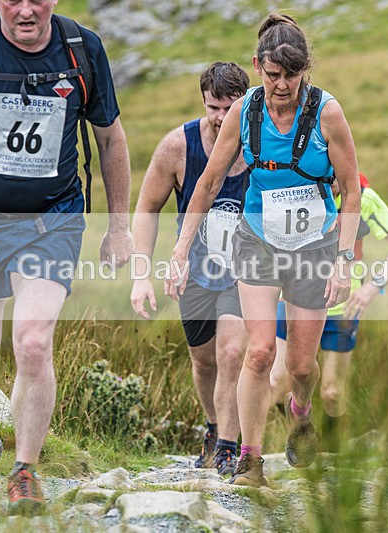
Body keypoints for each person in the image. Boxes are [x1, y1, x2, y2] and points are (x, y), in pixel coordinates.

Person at [0, 0, 132, 515]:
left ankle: (25, 470)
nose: (26, 10)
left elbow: (110, 139)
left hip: (51, 222)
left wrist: (119, 226)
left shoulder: (81, 49)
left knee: (33, 343)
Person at [166, 13, 361, 487]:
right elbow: (208, 182)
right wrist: (180, 249)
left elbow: (352, 190)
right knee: (258, 352)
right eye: (273, 75)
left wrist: (344, 260)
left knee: (301, 367)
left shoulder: (327, 113)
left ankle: (301, 410)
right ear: (257, 66)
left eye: (292, 75)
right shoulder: (244, 112)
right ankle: (250, 462)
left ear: (305, 70)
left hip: (314, 246)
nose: (282, 86)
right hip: (258, 240)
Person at [130, 62, 250, 476]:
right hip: (194, 270)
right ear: (203, 102)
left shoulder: (260, 145)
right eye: (213, 107)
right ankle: (214, 428)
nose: (221, 117)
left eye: (229, 109)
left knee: (232, 352)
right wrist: (141, 274)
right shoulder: (177, 147)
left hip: (245, 271)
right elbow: (147, 208)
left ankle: (229, 448)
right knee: (204, 361)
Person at [270, 172, 388, 445]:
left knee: (332, 393)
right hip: (293, 302)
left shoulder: (364, 198)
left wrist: (371, 288)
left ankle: (332, 452)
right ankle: (301, 433)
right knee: (276, 383)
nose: (330, 178)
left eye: (336, 173)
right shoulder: (299, 191)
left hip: (340, 309)